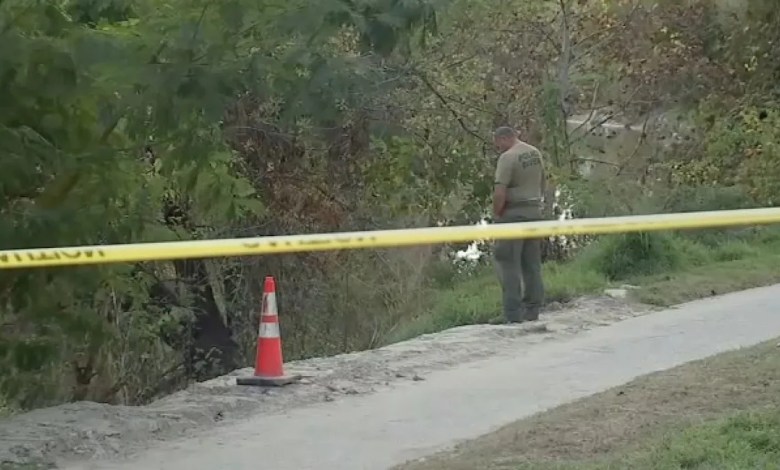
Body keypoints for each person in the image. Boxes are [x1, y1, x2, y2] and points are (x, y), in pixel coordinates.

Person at [491, 126, 545, 323]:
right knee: (531, 263)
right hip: (534, 212)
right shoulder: (534, 153)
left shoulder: (508, 157)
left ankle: (512, 314)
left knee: (508, 263)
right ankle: (533, 309)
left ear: (504, 138)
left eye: (498, 144)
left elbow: (500, 191)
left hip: (513, 214)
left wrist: (497, 214)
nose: (498, 148)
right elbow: (542, 182)